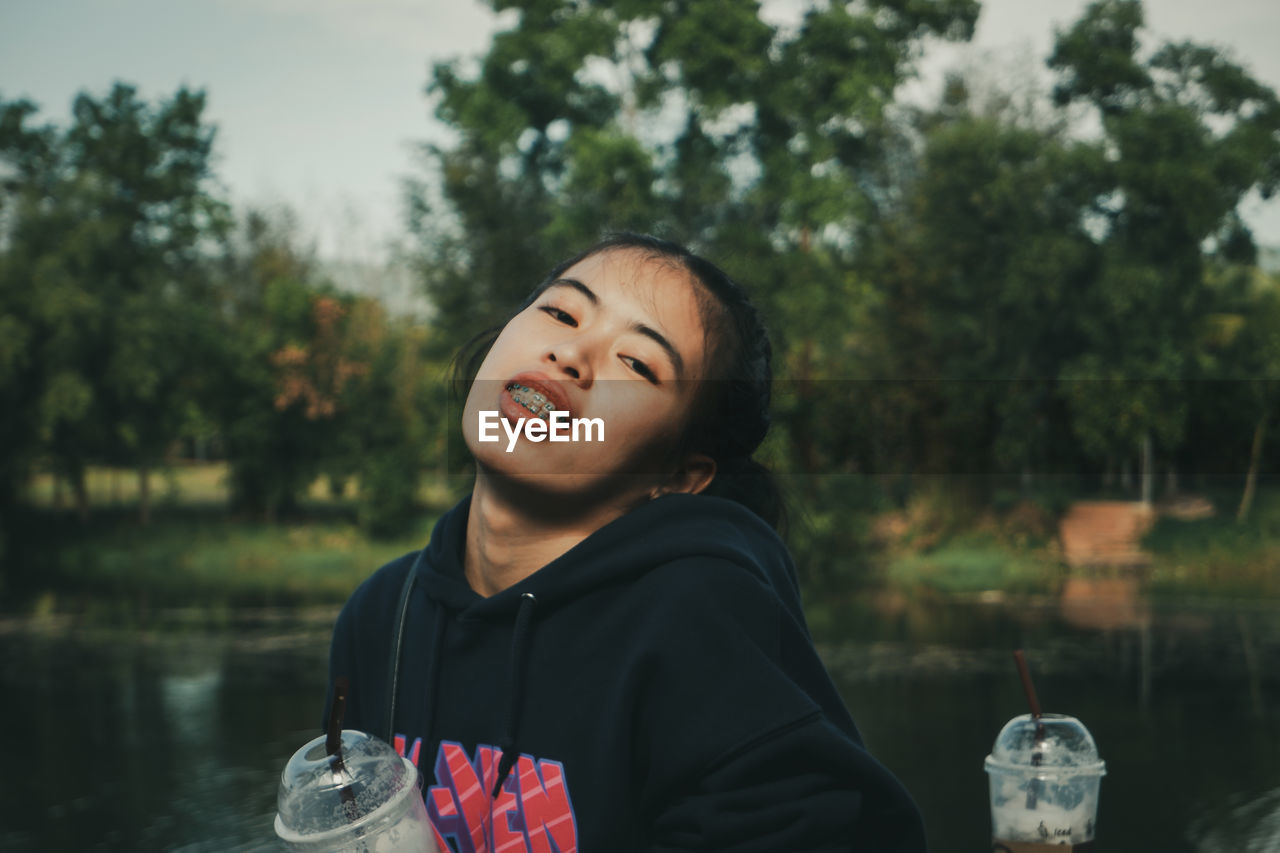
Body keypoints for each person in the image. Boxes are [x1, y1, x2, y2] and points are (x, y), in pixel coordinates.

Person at [323, 233, 927, 852]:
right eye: (560, 312)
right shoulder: (380, 615)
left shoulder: (699, 615)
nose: (571, 353)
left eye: (637, 363)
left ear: (677, 477)